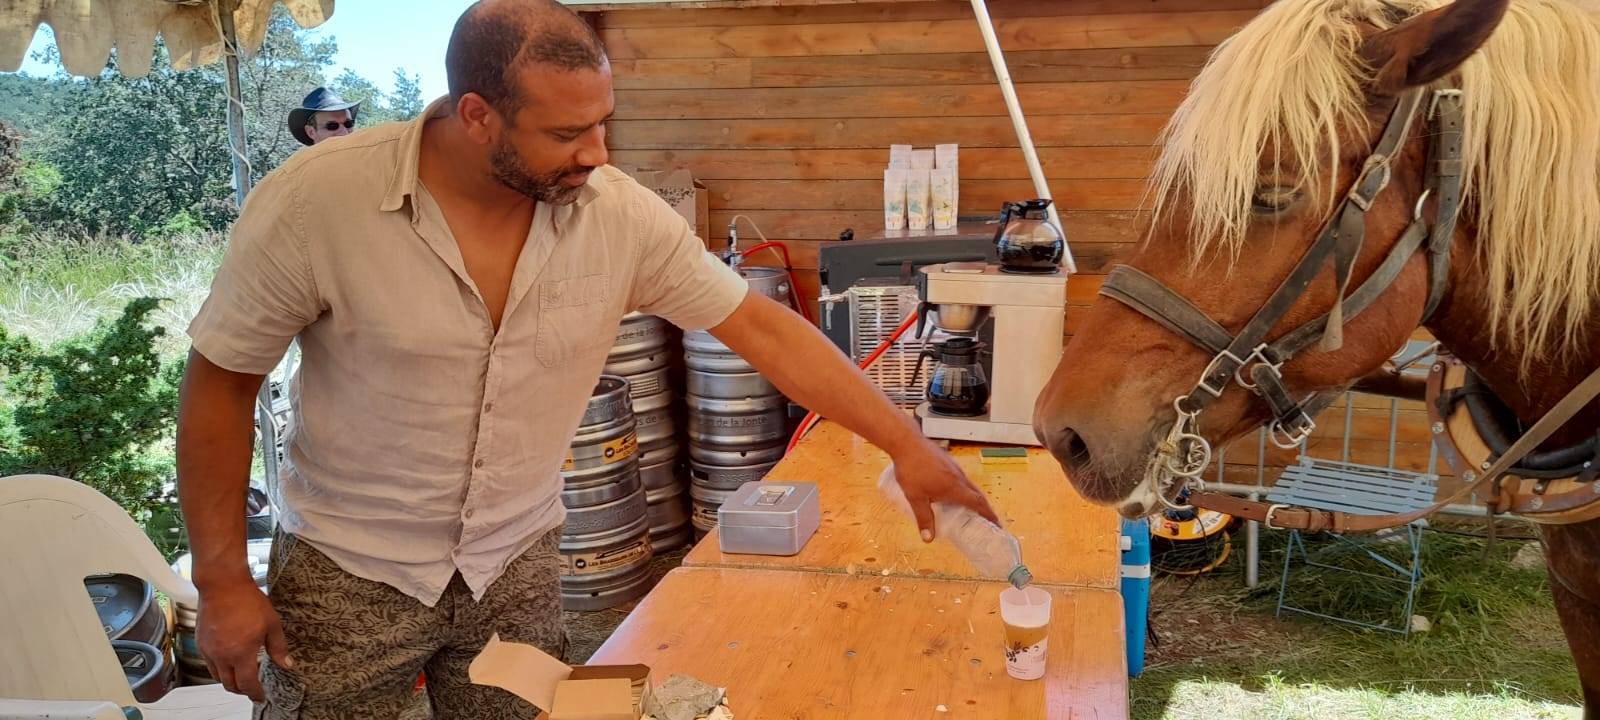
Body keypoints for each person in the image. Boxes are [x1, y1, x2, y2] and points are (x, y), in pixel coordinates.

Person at [176, 1, 1000, 717]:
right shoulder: (319, 202)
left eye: (603, 121)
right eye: (567, 133)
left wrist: (907, 444)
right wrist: (220, 580)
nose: (596, 154)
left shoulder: (618, 216)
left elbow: (763, 329)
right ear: (477, 115)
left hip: (517, 560)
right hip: (347, 568)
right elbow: (222, 381)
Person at [287, 87, 360, 146]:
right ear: (311, 132)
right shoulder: (303, 164)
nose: (344, 132)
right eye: (332, 126)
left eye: (348, 124)